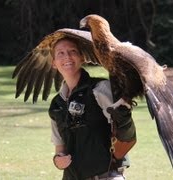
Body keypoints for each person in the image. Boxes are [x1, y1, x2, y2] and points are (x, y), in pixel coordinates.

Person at [48, 37, 137, 180]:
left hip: (106, 175)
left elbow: (126, 136)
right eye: (60, 53)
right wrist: (58, 160)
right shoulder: (56, 105)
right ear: (53, 63)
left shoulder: (100, 89)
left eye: (73, 51)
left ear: (82, 57)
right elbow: (60, 150)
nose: (67, 56)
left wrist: (124, 119)